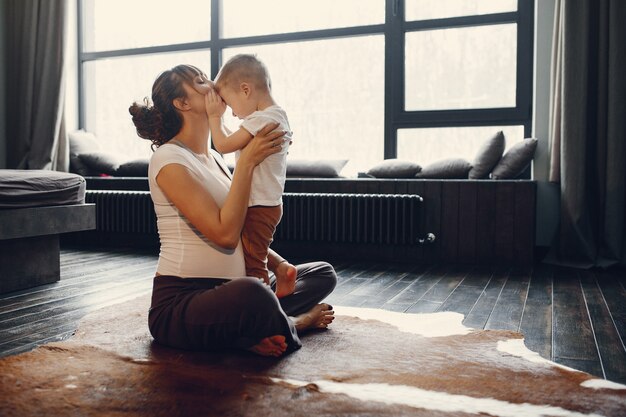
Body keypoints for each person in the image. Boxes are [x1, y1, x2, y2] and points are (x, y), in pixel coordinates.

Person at [128, 64, 336, 357]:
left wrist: (278, 265)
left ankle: (251, 326)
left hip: (234, 289)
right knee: (254, 294)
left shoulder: (214, 157)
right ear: (182, 103)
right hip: (182, 302)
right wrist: (248, 162)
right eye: (200, 81)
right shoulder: (168, 159)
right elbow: (225, 235)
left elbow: (240, 225)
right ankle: (295, 322)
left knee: (321, 273)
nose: (213, 84)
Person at [205, 54, 293, 298]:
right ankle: (283, 271)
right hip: (269, 203)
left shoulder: (261, 119)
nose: (232, 114)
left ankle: (264, 314)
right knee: (256, 251)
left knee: (254, 265)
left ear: (245, 90)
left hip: (258, 205)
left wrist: (214, 116)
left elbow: (222, 144)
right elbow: (234, 139)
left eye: (230, 105)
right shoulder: (277, 115)